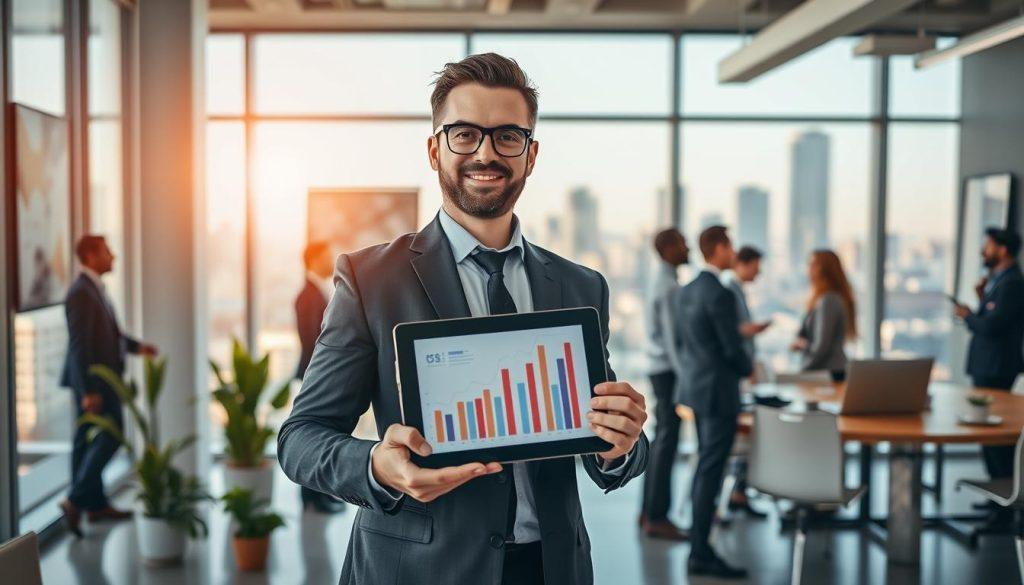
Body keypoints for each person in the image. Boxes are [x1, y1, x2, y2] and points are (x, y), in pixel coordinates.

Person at [277, 53, 649, 585]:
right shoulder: (371, 279)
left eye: (507, 137)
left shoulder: (581, 287)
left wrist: (622, 443)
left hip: (551, 568)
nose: (486, 153)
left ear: (531, 154)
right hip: (419, 568)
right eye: (465, 134)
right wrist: (378, 466)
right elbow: (301, 437)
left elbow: (607, 446)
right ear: (435, 149)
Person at [59, 235, 158, 538]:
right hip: (96, 384)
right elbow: (80, 345)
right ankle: (75, 499)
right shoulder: (80, 293)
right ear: (91, 256)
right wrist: (89, 390)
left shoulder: (94, 290)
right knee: (110, 437)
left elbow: (110, 335)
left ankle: (95, 504)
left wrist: (137, 347)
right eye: (107, 252)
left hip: (103, 380)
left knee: (87, 443)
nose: (113, 256)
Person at [670, 225, 752, 579]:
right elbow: (730, 348)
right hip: (719, 392)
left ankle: (699, 545)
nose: (733, 252)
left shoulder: (687, 290)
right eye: (730, 245)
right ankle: (701, 551)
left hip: (696, 389)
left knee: (706, 465)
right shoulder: (720, 293)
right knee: (711, 469)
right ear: (718, 249)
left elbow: (687, 342)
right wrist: (747, 367)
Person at [953, 227, 1024, 490]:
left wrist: (967, 316)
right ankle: (998, 496)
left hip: (997, 366)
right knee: (989, 436)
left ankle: (1005, 501)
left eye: (989, 246)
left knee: (996, 437)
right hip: (988, 364)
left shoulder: (1012, 282)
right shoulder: (999, 280)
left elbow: (994, 327)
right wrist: (982, 300)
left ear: (1003, 249)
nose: (984, 251)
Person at [638, 228, 689, 541]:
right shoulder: (669, 287)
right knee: (667, 441)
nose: (688, 249)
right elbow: (673, 340)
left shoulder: (661, 281)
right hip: (669, 370)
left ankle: (648, 513)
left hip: (660, 369)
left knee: (662, 441)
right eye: (683, 244)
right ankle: (657, 517)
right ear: (669, 249)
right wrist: (686, 376)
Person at [293, 241, 346, 514]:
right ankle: (313, 497)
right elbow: (312, 341)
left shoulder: (316, 292)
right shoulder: (307, 296)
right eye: (326, 258)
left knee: (323, 432)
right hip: (317, 375)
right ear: (313, 259)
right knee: (316, 433)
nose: (331, 262)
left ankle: (319, 495)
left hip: (320, 374)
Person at [719, 245, 770, 518]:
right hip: (734, 373)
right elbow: (731, 331)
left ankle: (738, 493)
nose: (758, 273)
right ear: (746, 264)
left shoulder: (733, 288)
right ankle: (733, 493)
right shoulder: (728, 288)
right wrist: (753, 331)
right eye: (757, 267)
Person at [791, 250, 856, 382]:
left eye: (812, 264)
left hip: (828, 373)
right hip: (827, 371)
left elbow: (822, 346)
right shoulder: (823, 298)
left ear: (824, 269)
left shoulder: (829, 300)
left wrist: (804, 370)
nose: (808, 269)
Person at [721, 245, 770, 363]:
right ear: (742, 264)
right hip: (738, 359)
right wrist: (749, 329)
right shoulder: (730, 290)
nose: (758, 272)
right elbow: (728, 328)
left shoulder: (737, 289)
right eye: (755, 267)